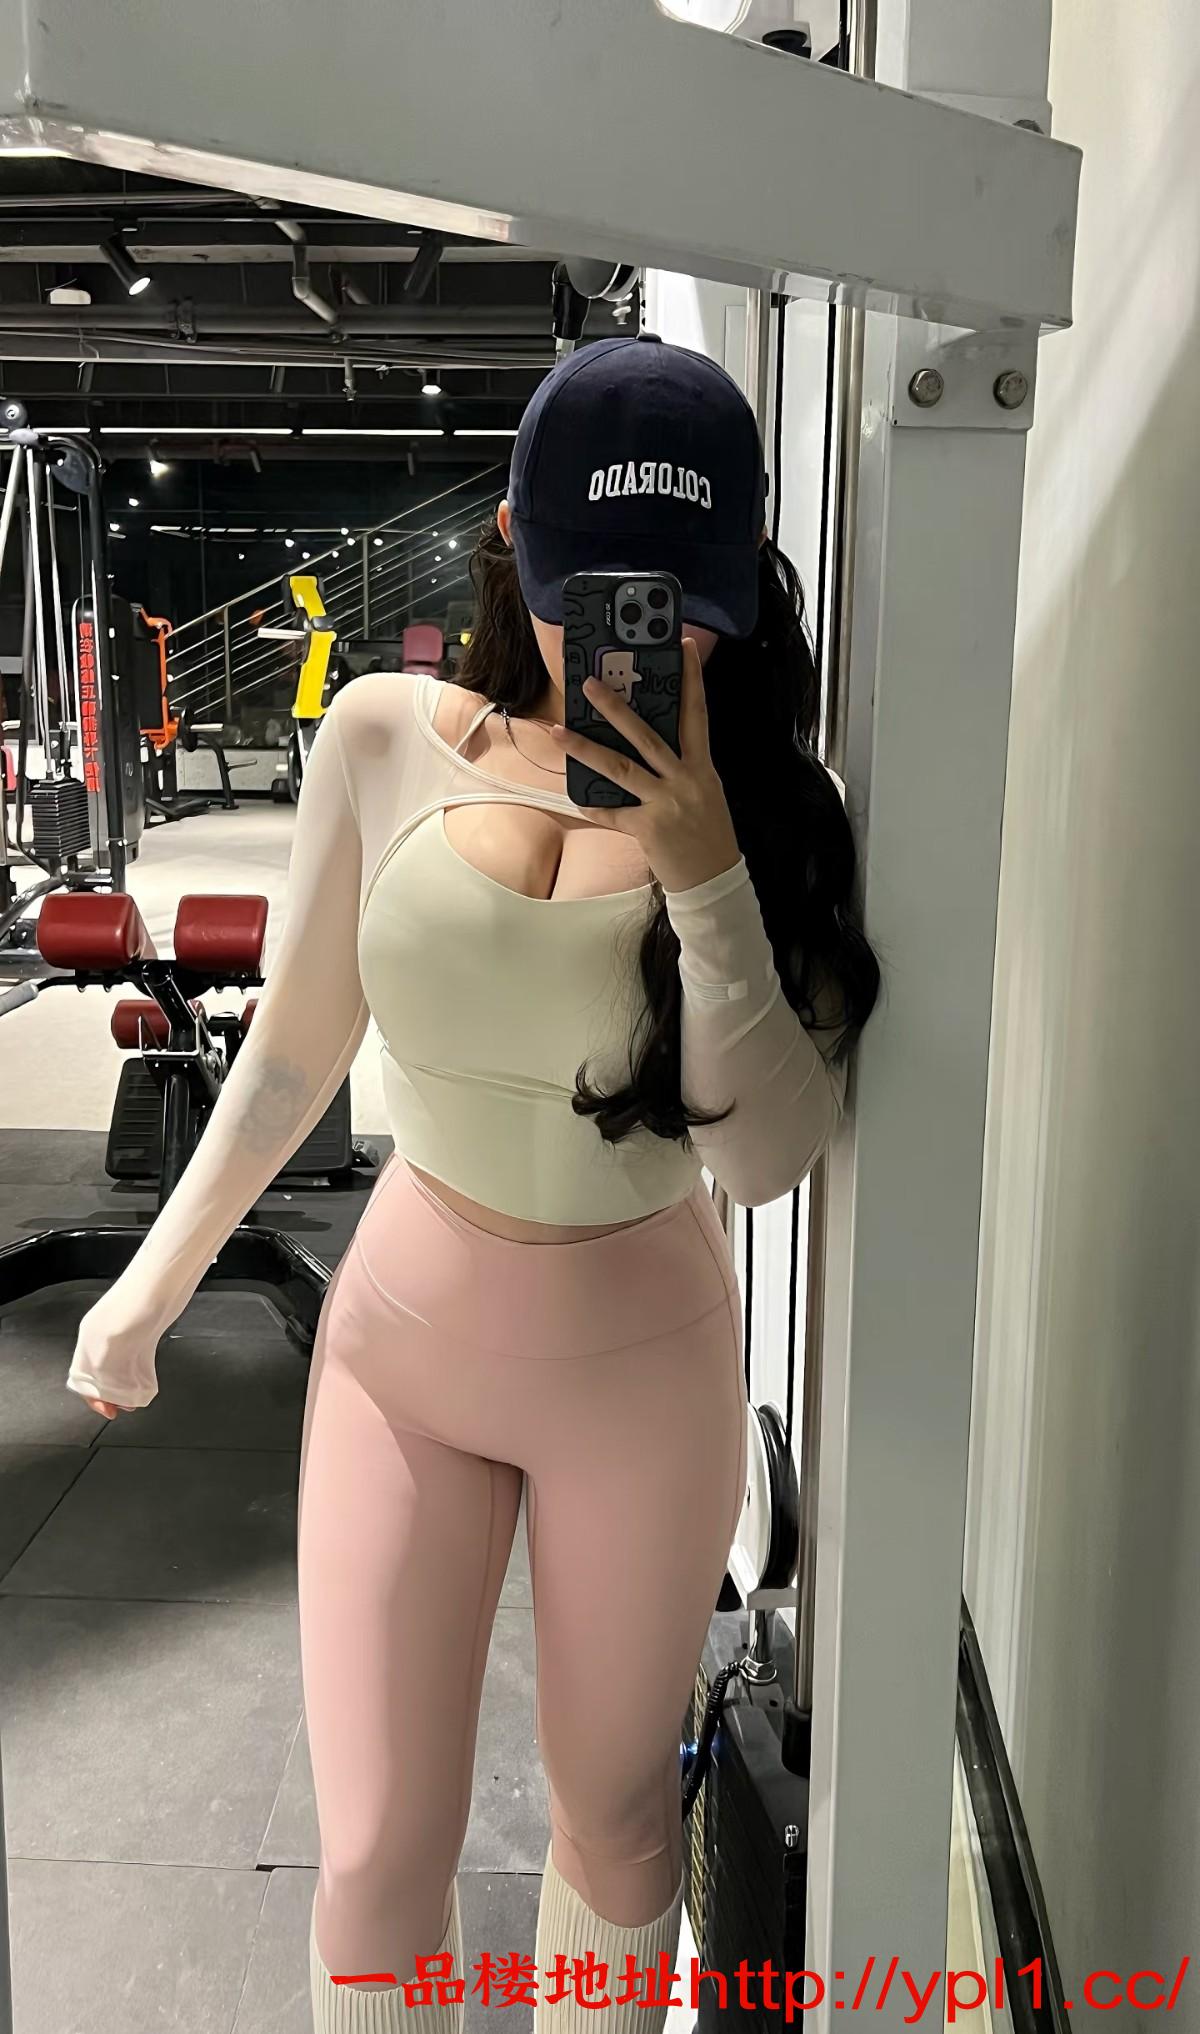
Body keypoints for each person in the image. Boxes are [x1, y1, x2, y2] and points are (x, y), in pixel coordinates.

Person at [64, 334, 880, 2033]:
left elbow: (765, 1158)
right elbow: (292, 1053)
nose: (643, 640)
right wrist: (149, 1286)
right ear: (516, 547)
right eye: (600, 595)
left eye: (682, 603)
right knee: (373, 1849)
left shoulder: (773, 815)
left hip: (640, 1359)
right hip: (406, 1344)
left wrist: (708, 876)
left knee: (616, 1821)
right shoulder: (383, 735)